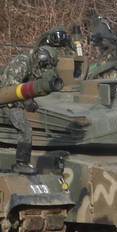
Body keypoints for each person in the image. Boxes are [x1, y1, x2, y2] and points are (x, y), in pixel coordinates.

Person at [1, 28, 70, 174]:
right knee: (25, 128)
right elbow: (9, 87)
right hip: (6, 97)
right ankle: (21, 163)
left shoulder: (43, 65)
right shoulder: (23, 62)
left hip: (15, 97)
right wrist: (26, 101)